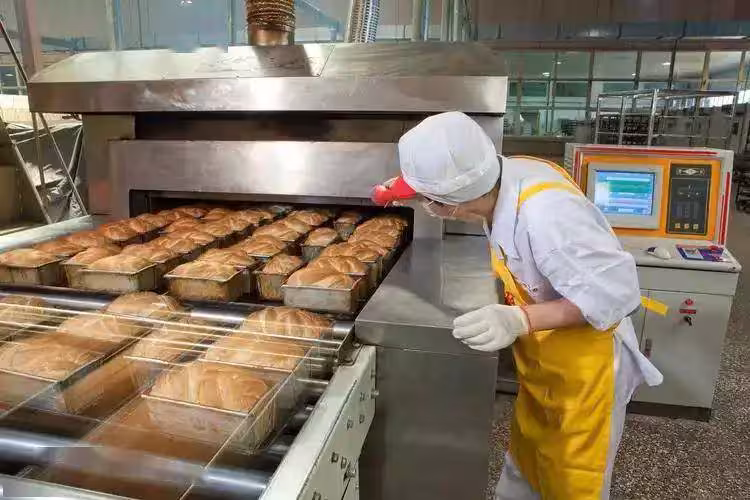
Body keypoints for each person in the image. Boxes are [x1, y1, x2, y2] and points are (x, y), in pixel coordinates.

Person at [371, 111, 663, 500]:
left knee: (571, 478)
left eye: (430, 201)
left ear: (454, 202)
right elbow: (446, 180)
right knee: (528, 463)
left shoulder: (548, 216)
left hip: (585, 373)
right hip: (545, 366)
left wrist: (520, 318)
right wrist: (395, 191)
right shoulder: (497, 174)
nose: (427, 206)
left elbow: (615, 296)